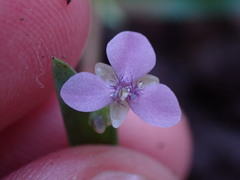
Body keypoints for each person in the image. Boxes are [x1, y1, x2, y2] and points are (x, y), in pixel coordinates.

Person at [0, 0, 192, 179]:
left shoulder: (142, 93)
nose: (124, 92)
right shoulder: (87, 92)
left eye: (125, 93)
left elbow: (168, 113)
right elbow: (72, 93)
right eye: (123, 92)